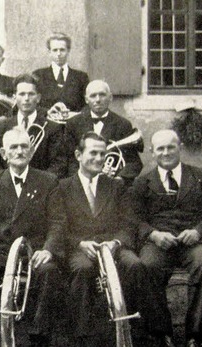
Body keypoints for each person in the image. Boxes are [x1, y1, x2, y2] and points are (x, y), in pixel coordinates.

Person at [48, 132, 148, 346]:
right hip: (80, 248)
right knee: (82, 269)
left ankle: (134, 331)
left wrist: (116, 243)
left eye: (102, 153)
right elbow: (58, 225)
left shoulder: (116, 186)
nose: (99, 158)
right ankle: (81, 335)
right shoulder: (62, 186)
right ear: (78, 155)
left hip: (113, 246)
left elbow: (128, 223)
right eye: (93, 152)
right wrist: (80, 243)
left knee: (135, 265)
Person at [0, 127, 62, 346]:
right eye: (14, 147)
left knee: (49, 273)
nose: (19, 151)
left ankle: (38, 334)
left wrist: (48, 249)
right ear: (3, 153)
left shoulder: (48, 181)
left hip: (35, 253)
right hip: (2, 253)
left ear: (31, 152)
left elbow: (58, 222)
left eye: (24, 147)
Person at [129, 129, 202, 347]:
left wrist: (198, 230)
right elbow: (134, 219)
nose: (166, 152)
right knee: (147, 265)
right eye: (160, 148)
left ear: (180, 147)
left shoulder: (201, 176)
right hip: (159, 243)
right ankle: (161, 333)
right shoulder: (142, 182)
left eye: (171, 147)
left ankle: (195, 335)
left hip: (195, 242)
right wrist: (154, 234)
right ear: (152, 152)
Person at [65, 80, 143, 186]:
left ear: (110, 97)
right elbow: (68, 158)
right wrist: (81, 181)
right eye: (93, 96)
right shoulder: (73, 123)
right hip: (81, 184)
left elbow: (133, 162)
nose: (98, 100)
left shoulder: (123, 124)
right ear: (86, 99)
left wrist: (120, 178)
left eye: (102, 95)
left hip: (111, 186)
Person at [0, 74, 68, 177]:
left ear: (38, 98)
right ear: (14, 97)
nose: (26, 98)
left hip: (41, 188)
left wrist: (37, 184)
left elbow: (59, 165)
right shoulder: (2, 127)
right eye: (22, 94)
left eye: (31, 94)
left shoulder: (53, 128)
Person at [32, 32, 89, 112]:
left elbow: (88, 105)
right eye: (55, 50)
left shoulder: (81, 77)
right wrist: (47, 112)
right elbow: (32, 103)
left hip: (73, 123)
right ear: (49, 52)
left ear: (68, 50)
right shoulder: (38, 75)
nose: (58, 54)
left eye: (62, 50)